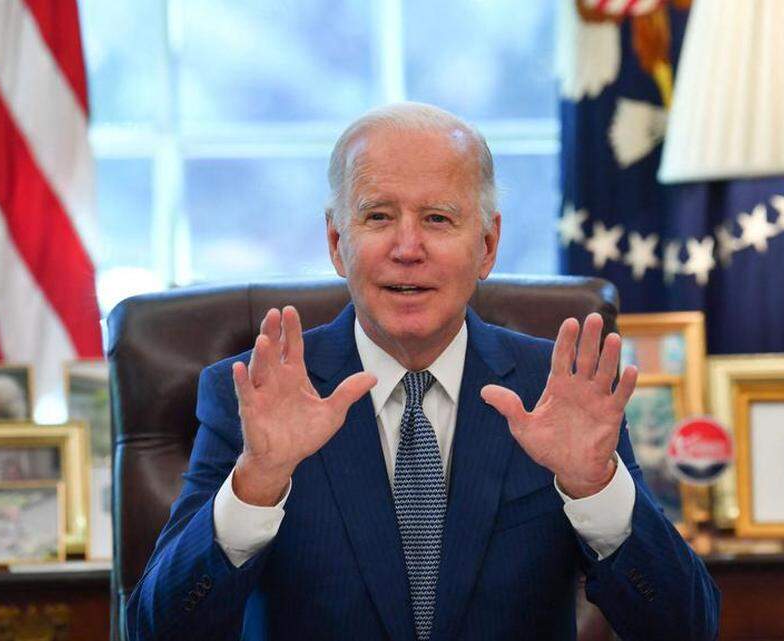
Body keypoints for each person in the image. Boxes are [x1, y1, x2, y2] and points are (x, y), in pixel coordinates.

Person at [126, 103, 719, 641]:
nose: (407, 248)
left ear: (487, 245)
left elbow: (687, 627)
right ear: (338, 242)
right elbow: (154, 630)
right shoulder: (255, 393)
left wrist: (597, 492)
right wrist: (257, 485)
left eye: (438, 219)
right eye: (379, 217)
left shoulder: (560, 391)